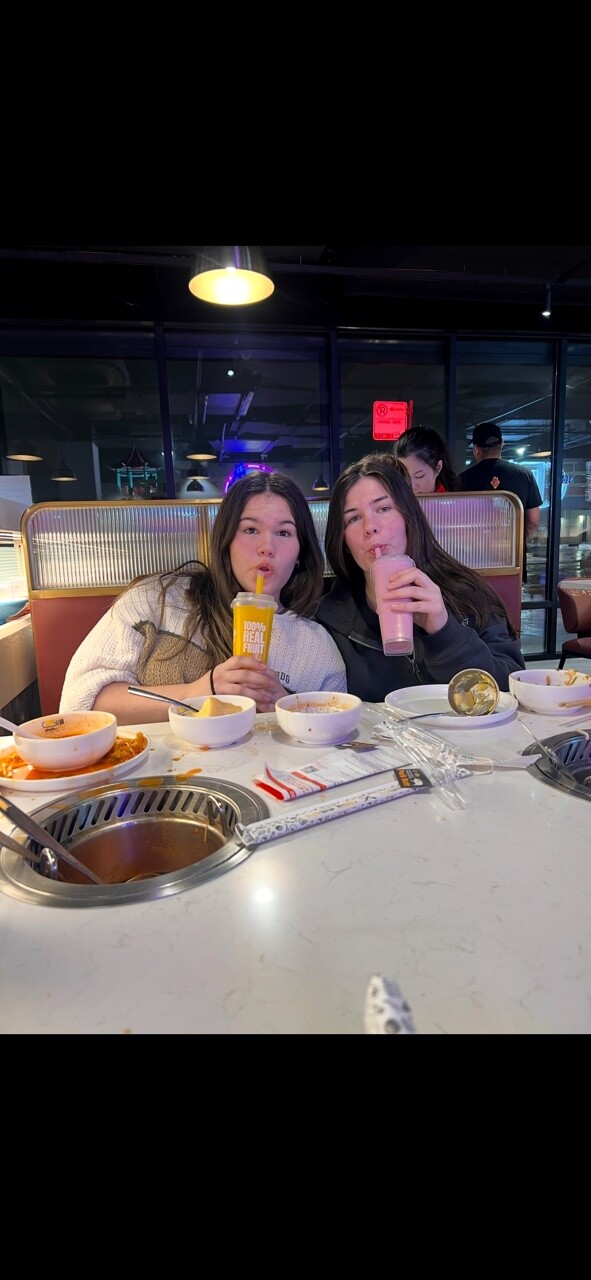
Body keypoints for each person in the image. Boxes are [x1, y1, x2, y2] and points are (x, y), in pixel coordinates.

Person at [60, 471, 346, 723]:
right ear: (226, 542)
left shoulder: (317, 649)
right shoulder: (158, 600)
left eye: (284, 532)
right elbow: (80, 703)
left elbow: (334, 739)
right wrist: (198, 692)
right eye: (250, 529)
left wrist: (284, 709)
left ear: (300, 553)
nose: (266, 546)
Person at [314, 452, 525, 703]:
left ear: (408, 517)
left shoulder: (467, 594)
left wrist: (444, 632)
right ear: (344, 541)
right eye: (354, 518)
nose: (370, 526)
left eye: (384, 508)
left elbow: (511, 689)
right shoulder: (331, 617)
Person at [457, 421, 542, 582]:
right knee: (510, 597)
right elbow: (533, 521)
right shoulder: (525, 475)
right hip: (512, 560)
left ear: (476, 449)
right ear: (502, 443)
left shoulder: (462, 480)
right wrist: (516, 541)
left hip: (473, 562)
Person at [393, 425, 460, 494]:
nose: (412, 486)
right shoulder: (392, 498)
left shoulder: (453, 500)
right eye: (404, 477)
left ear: (438, 468)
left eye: (419, 476)